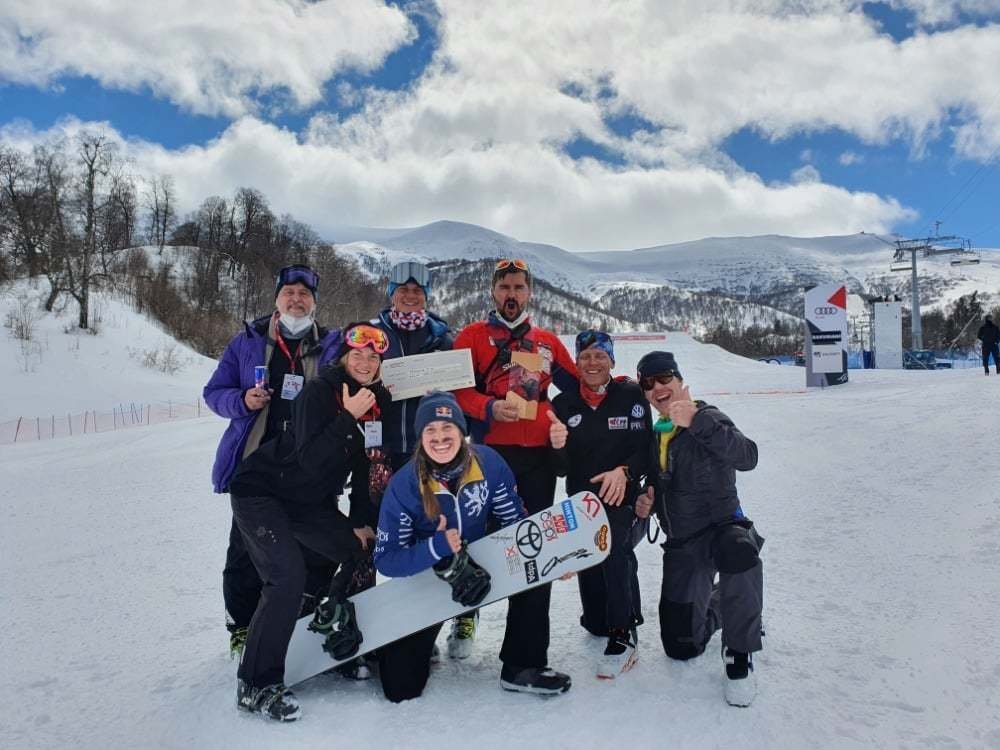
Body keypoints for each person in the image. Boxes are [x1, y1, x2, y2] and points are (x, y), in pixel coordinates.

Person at [226, 322, 393, 721]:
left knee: (359, 549)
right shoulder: (319, 392)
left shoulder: (377, 401)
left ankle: (329, 629)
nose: (366, 362)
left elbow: (367, 470)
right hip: (261, 492)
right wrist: (347, 416)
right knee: (285, 576)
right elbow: (310, 460)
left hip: (308, 502)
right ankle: (256, 683)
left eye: (373, 356)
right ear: (344, 357)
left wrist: (359, 522)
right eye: (358, 354)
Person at [452, 258, 579, 695]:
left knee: (533, 554)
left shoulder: (545, 342)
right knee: (469, 547)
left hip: (539, 462)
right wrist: (487, 408)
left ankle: (523, 663)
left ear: (530, 294)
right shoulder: (471, 336)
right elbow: (455, 391)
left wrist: (562, 417)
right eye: (504, 287)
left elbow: (579, 386)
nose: (511, 294)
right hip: (487, 457)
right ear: (492, 292)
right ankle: (428, 635)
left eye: (519, 288)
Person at [203, 265, 341, 657]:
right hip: (256, 465)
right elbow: (214, 393)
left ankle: (303, 616)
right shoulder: (246, 343)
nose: (296, 299)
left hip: (310, 467)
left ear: (314, 302)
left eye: (304, 294)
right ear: (277, 299)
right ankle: (242, 627)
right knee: (246, 552)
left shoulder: (331, 344)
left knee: (317, 547)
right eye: (289, 293)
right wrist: (242, 401)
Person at [373, 391, 525, 702]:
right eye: (431, 430)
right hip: (428, 577)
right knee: (400, 688)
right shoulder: (404, 484)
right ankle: (413, 635)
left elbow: (514, 521)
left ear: (461, 431)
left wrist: (554, 556)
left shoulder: (489, 462)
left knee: (536, 576)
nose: (440, 438)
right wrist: (435, 546)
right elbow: (386, 560)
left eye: (448, 428)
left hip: (478, 564)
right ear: (420, 437)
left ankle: (520, 660)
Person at [633, 350, 764, 707]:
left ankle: (739, 651)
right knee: (680, 646)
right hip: (683, 542)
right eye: (649, 383)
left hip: (723, 527)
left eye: (664, 379)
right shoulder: (656, 433)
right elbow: (663, 483)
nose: (658, 388)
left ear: (679, 382)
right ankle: (729, 605)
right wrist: (647, 501)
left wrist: (696, 421)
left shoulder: (707, 415)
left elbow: (748, 456)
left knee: (740, 553)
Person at [370, 262, 474, 658]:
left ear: (427, 296)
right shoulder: (375, 335)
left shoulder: (442, 337)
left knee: (448, 526)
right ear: (391, 292)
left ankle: (465, 611)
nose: (410, 296)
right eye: (403, 289)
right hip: (390, 450)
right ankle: (416, 621)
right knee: (406, 538)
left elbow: (464, 390)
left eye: (418, 291)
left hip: (437, 453)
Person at [548, 330, 650, 679]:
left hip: (623, 493)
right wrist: (557, 445)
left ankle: (625, 632)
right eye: (585, 357)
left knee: (615, 547)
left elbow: (646, 450)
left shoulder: (632, 395)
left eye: (600, 356)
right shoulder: (562, 403)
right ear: (576, 363)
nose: (593, 363)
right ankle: (604, 621)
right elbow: (560, 468)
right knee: (595, 622)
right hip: (582, 501)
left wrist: (625, 472)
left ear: (612, 361)